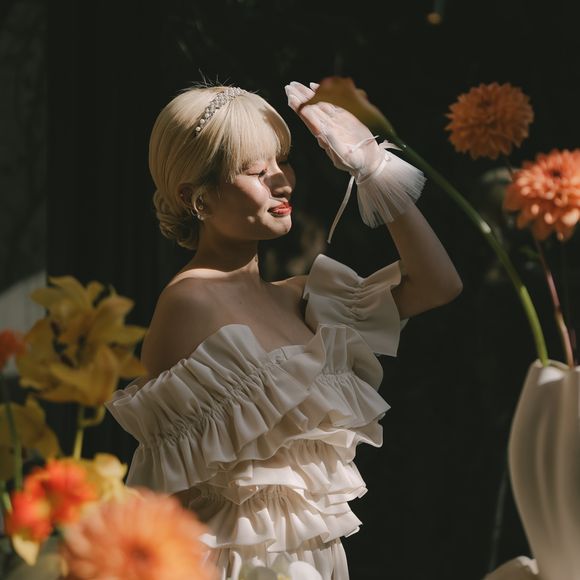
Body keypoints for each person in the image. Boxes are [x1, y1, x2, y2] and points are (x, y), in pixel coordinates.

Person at [106, 81, 463, 579]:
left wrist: (372, 168)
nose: (282, 181)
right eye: (256, 171)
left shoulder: (302, 298)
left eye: (283, 162)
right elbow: (167, 494)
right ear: (196, 198)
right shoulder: (189, 303)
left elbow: (438, 284)